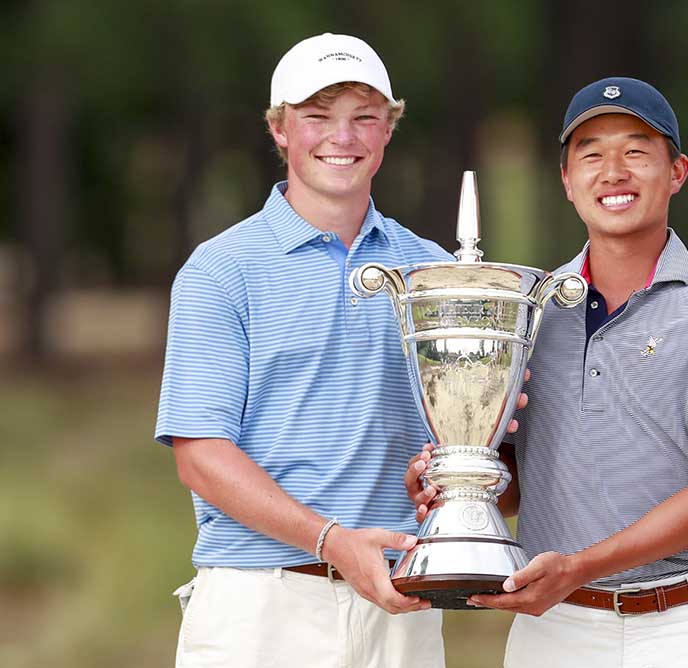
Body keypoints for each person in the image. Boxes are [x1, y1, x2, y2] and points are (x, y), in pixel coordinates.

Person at [408, 77, 688, 667]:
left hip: (686, 630)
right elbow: (530, 480)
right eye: (591, 153)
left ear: (677, 172)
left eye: (636, 151)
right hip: (553, 630)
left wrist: (580, 567)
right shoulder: (529, 313)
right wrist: (458, 483)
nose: (613, 171)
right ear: (566, 180)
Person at [154, 33, 481, 668]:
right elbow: (200, 456)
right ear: (279, 129)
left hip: (398, 597)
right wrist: (332, 541)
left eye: (365, 117)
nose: (344, 136)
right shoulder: (221, 270)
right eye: (317, 117)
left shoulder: (436, 272)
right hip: (260, 607)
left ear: (389, 130)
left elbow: (461, 436)